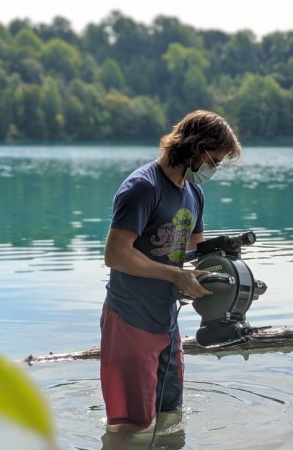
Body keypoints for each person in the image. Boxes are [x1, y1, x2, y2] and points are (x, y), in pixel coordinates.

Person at [100, 109, 242, 433]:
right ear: (196, 147)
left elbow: (192, 254)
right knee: (131, 429)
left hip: (167, 323)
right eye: (214, 161)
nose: (213, 169)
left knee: (169, 419)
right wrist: (175, 275)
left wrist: (220, 266)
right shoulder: (142, 188)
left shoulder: (195, 193)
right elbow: (115, 254)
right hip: (130, 320)